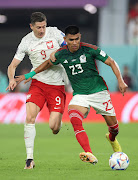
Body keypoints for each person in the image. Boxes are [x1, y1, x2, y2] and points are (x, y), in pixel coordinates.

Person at [15, 25, 128, 165]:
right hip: (80, 94)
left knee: (114, 128)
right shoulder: (60, 54)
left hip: (99, 92)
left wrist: (120, 81)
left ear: (80, 37)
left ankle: (111, 138)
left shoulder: (90, 49)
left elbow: (111, 62)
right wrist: (31, 74)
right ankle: (89, 153)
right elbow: (47, 64)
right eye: (71, 40)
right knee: (74, 117)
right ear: (65, 39)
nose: (75, 42)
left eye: (77, 39)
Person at [6, 12, 67, 169]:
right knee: (30, 117)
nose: (42, 30)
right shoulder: (26, 41)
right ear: (31, 26)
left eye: (44, 26)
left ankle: (57, 123)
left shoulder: (55, 33)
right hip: (38, 83)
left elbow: (67, 49)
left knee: (54, 127)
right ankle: (29, 159)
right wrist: (12, 79)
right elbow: (12, 65)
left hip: (56, 84)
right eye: (38, 27)